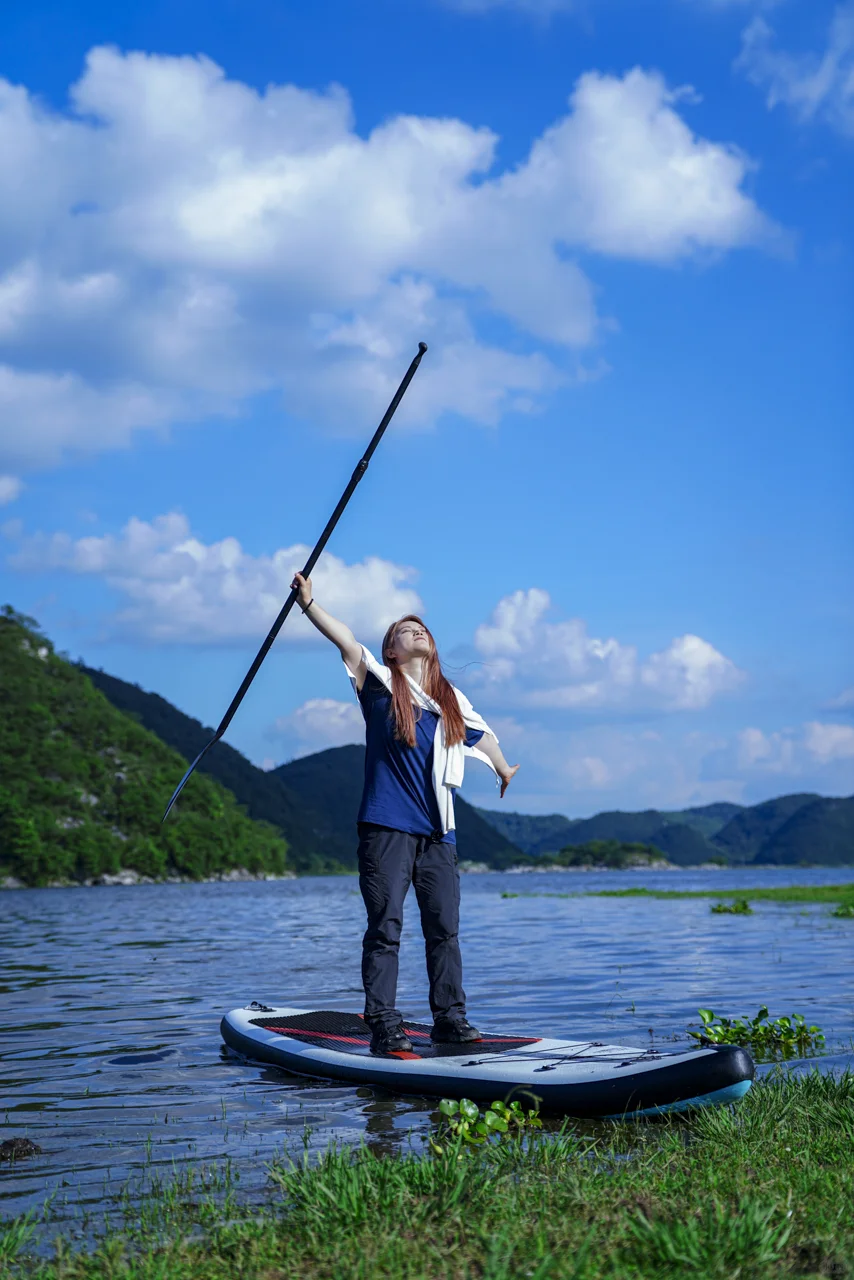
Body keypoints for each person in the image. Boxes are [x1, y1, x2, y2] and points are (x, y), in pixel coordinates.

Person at [291, 571, 520, 1056]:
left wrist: (503, 768)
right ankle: (384, 1026)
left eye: (422, 629)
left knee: (444, 931)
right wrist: (309, 605)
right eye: (404, 630)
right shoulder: (377, 686)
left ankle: (450, 1021)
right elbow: (347, 642)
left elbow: (484, 736)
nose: (417, 630)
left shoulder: (449, 704)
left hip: (439, 834)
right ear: (391, 651)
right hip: (386, 828)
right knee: (386, 928)